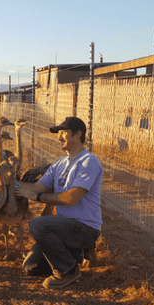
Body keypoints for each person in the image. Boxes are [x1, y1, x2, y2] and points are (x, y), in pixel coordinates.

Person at [15, 116, 103, 289]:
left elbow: (71, 198)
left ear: (78, 134)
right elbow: (35, 187)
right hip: (64, 228)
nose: (59, 137)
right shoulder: (60, 163)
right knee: (30, 268)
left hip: (84, 227)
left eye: (63, 133)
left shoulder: (88, 162)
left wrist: (39, 198)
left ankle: (68, 271)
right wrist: (7, 183)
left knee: (38, 225)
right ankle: (77, 252)